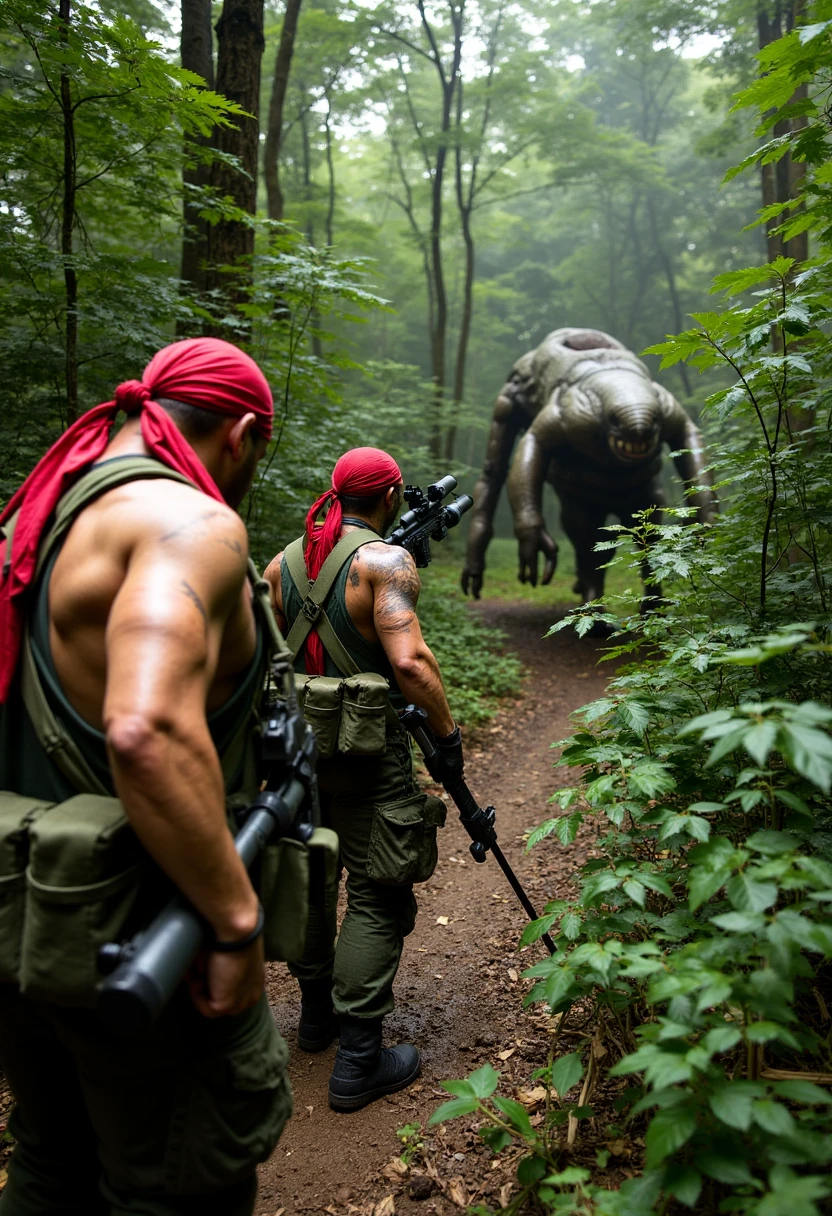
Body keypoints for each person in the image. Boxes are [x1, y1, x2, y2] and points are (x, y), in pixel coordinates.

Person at [0, 338, 291, 1216]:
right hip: (137, 937)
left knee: (49, 1163)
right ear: (240, 433)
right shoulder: (185, 525)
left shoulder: (32, 520)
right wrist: (237, 926)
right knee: (175, 1186)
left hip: (22, 917)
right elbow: (146, 728)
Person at [264, 447, 464, 1112]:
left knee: (313, 880)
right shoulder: (386, 563)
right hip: (370, 758)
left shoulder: (280, 564)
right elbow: (408, 664)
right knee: (377, 893)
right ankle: (357, 1062)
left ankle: (315, 1017)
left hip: (296, 757)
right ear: (389, 497)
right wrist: (446, 733)